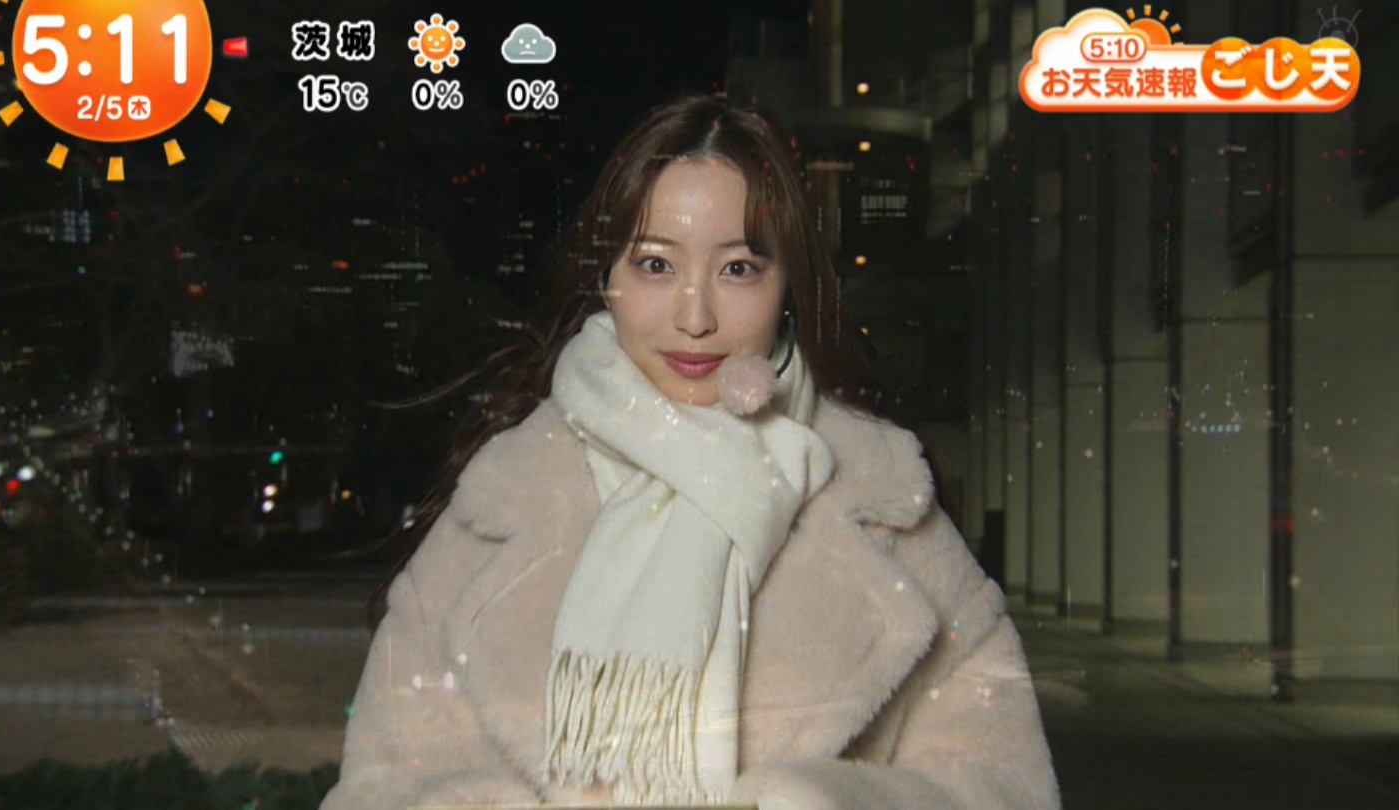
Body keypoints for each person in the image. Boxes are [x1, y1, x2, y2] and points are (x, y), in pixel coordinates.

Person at [320, 95, 1060, 810]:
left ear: (788, 285)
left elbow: (1005, 786)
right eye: (655, 265)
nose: (695, 315)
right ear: (607, 279)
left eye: (738, 268)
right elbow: (382, 785)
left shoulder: (887, 508)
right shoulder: (498, 506)